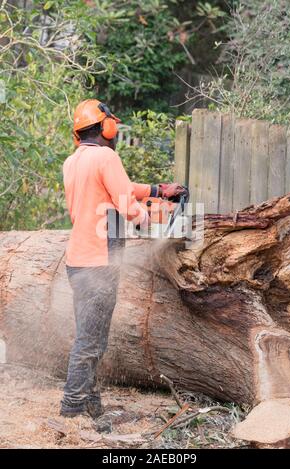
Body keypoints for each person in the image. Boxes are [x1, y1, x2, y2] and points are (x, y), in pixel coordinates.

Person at [61, 98, 186, 419]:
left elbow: (120, 188)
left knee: (91, 339)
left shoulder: (74, 161)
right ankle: (71, 408)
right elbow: (127, 205)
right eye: (112, 127)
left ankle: (90, 402)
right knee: (90, 342)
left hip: (78, 261)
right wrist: (153, 219)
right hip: (100, 263)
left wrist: (157, 191)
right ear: (106, 127)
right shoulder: (107, 156)